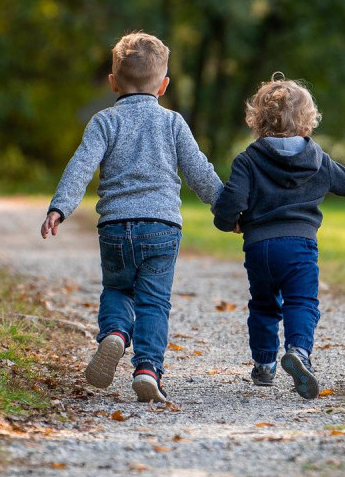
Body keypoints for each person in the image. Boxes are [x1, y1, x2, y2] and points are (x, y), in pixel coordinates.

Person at [41, 32, 222, 402]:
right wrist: (227, 208)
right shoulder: (173, 123)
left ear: (112, 82)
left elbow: (80, 167)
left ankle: (115, 333)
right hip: (162, 228)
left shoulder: (104, 122)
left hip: (115, 227)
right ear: (164, 85)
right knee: (154, 302)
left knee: (117, 288)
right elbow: (199, 172)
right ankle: (147, 370)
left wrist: (60, 207)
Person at [212, 75, 345, 399]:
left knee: (263, 305)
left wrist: (229, 223)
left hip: (259, 248)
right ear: (306, 123)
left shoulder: (248, 159)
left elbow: (232, 202)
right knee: (301, 301)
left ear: (257, 121)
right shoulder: (317, 160)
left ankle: (264, 364)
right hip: (300, 248)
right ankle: (299, 352)